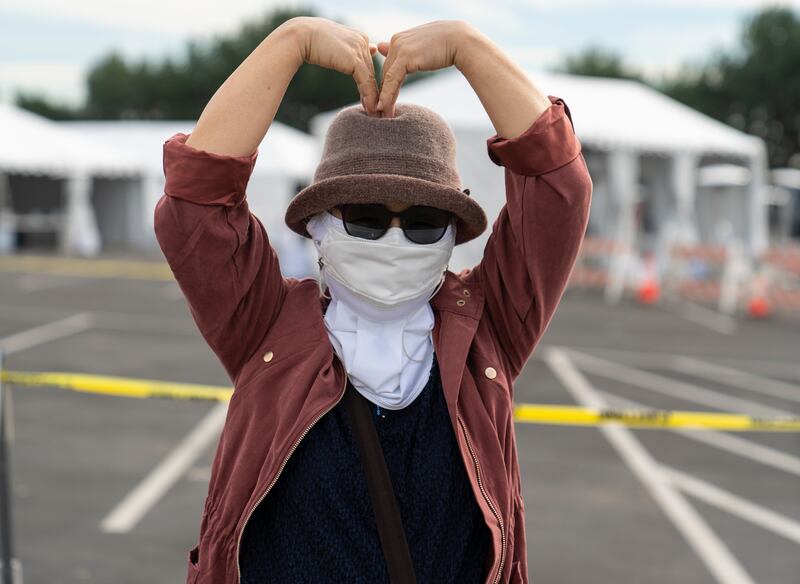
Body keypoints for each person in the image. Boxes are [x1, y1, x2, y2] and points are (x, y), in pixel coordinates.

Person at [154, 16, 592, 584]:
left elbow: (560, 189)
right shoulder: (263, 325)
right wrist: (289, 43)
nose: (393, 239)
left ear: (453, 235)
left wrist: (468, 47)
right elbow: (195, 202)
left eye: (424, 221)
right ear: (317, 224)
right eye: (363, 217)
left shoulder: (491, 327)